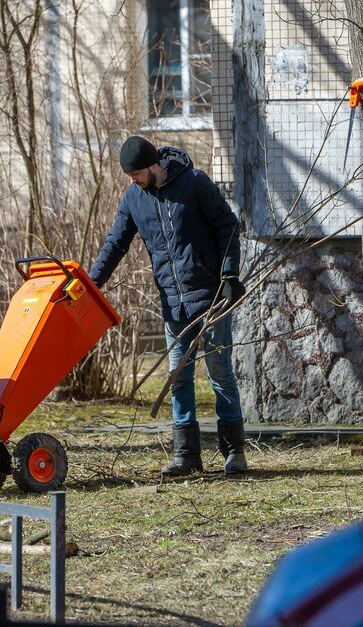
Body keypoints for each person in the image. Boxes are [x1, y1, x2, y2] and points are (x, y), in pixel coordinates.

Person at [89, 136, 248, 476]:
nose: (133, 180)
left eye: (136, 173)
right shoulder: (134, 198)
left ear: (153, 165)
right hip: (173, 303)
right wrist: (92, 283)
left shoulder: (194, 183)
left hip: (211, 296)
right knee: (179, 377)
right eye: (129, 176)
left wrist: (230, 275)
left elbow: (228, 225)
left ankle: (234, 451)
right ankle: (186, 456)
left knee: (220, 372)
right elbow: (116, 243)